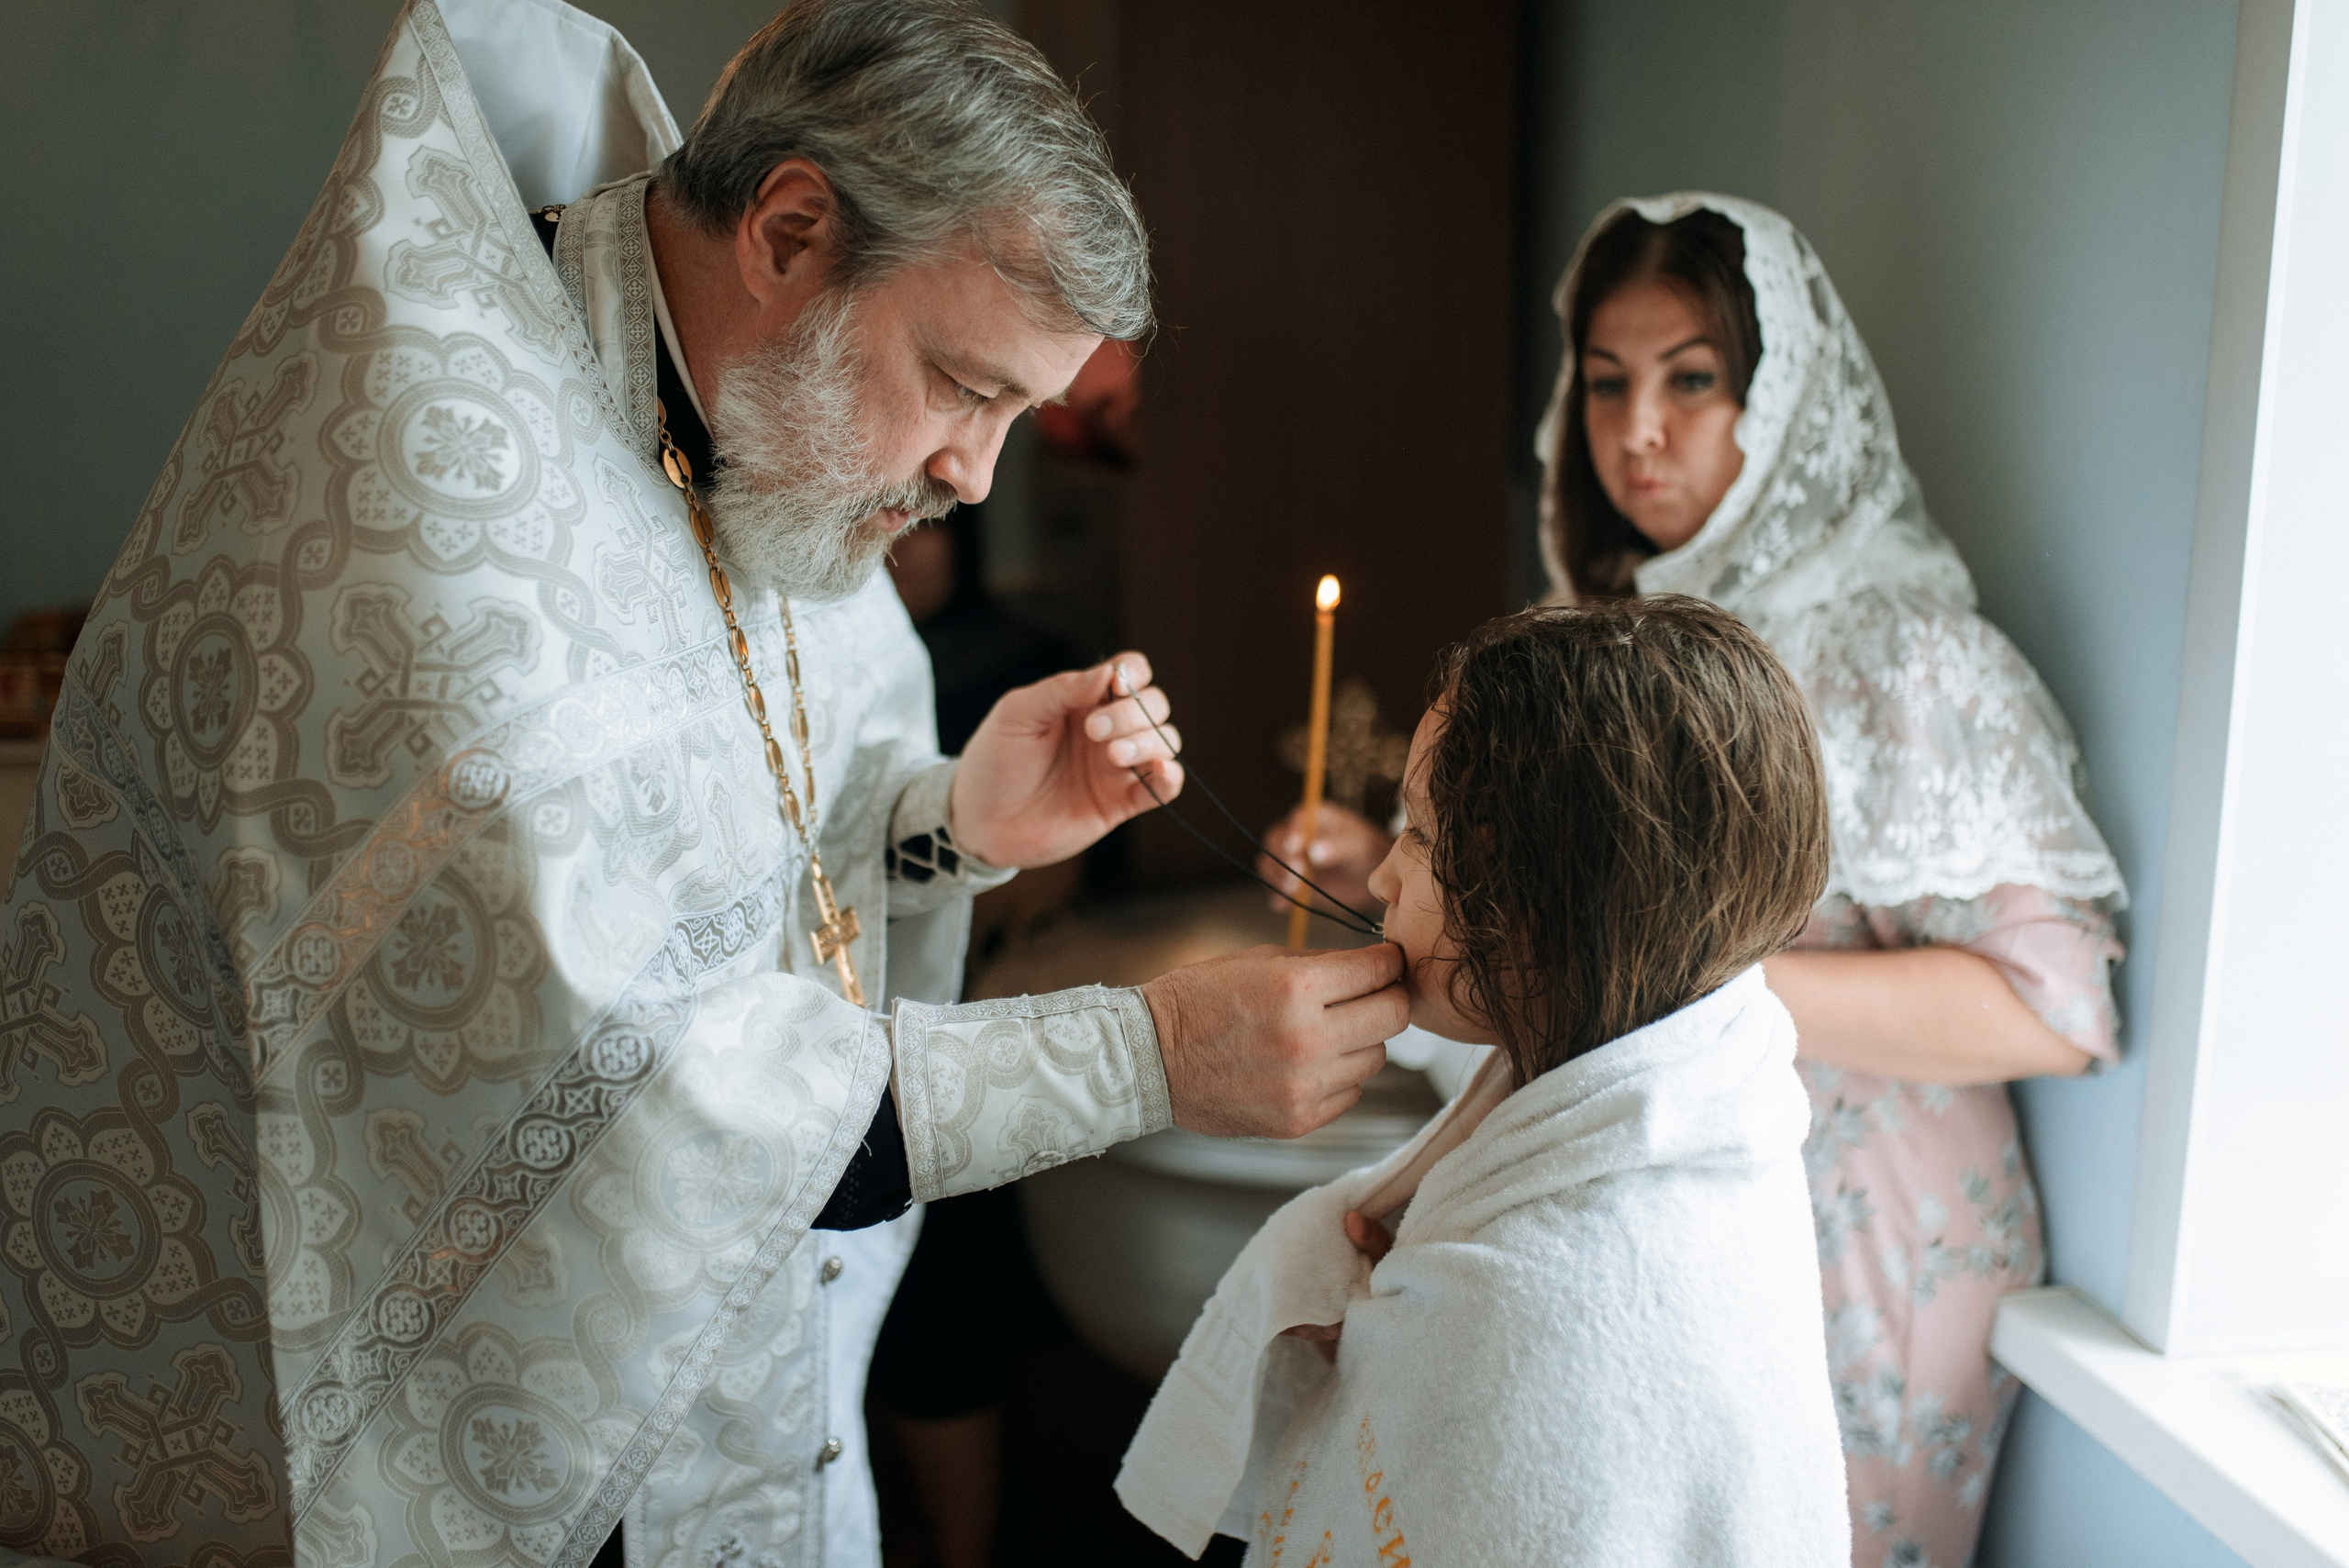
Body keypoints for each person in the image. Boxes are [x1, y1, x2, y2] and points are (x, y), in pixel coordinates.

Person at [0, 4, 1408, 1565]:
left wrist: (945, 823)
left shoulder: (741, 406)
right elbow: (642, 1087)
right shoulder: (444, 509)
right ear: (791, 228)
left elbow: (740, 839)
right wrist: (1146, 1054)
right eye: (963, 384)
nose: (976, 474)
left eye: (1020, 410)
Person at [1264, 193, 2127, 1567]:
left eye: (1692, 381)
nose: (1639, 432)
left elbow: (2055, 1011)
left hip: (1863, 1229)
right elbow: (1556, 931)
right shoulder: (1595, 638)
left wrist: (1687, 969)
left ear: (1780, 399)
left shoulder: (1909, 651)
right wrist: (1400, 870)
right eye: (1606, 385)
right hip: (1638, 1188)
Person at [1121, 598, 1850, 1565]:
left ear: (1554, 898)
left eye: (1419, 835)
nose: (1380, 875)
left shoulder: (1543, 1328)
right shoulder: (1698, 1070)